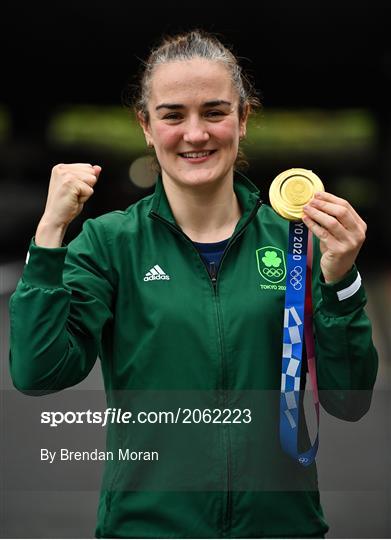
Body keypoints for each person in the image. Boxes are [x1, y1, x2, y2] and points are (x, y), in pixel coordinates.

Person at [9, 29, 378, 538]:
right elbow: (38, 370)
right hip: (147, 528)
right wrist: (49, 235)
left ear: (243, 119)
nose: (195, 133)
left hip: (280, 527)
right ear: (145, 125)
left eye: (214, 111)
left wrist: (341, 283)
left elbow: (349, 401)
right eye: (173, 114)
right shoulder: (109, 243)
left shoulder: (299, 243)